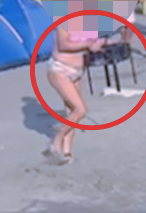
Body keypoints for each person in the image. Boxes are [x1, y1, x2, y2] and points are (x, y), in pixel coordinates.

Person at [45, 28, 106, 164]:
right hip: (60, 69)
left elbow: (91, 43)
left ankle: (67, 152)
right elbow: (64, 45)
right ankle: (57, 139)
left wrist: (101, 44)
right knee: (80, 109)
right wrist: (87, 45)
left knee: (71, 111)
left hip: (77, 71)